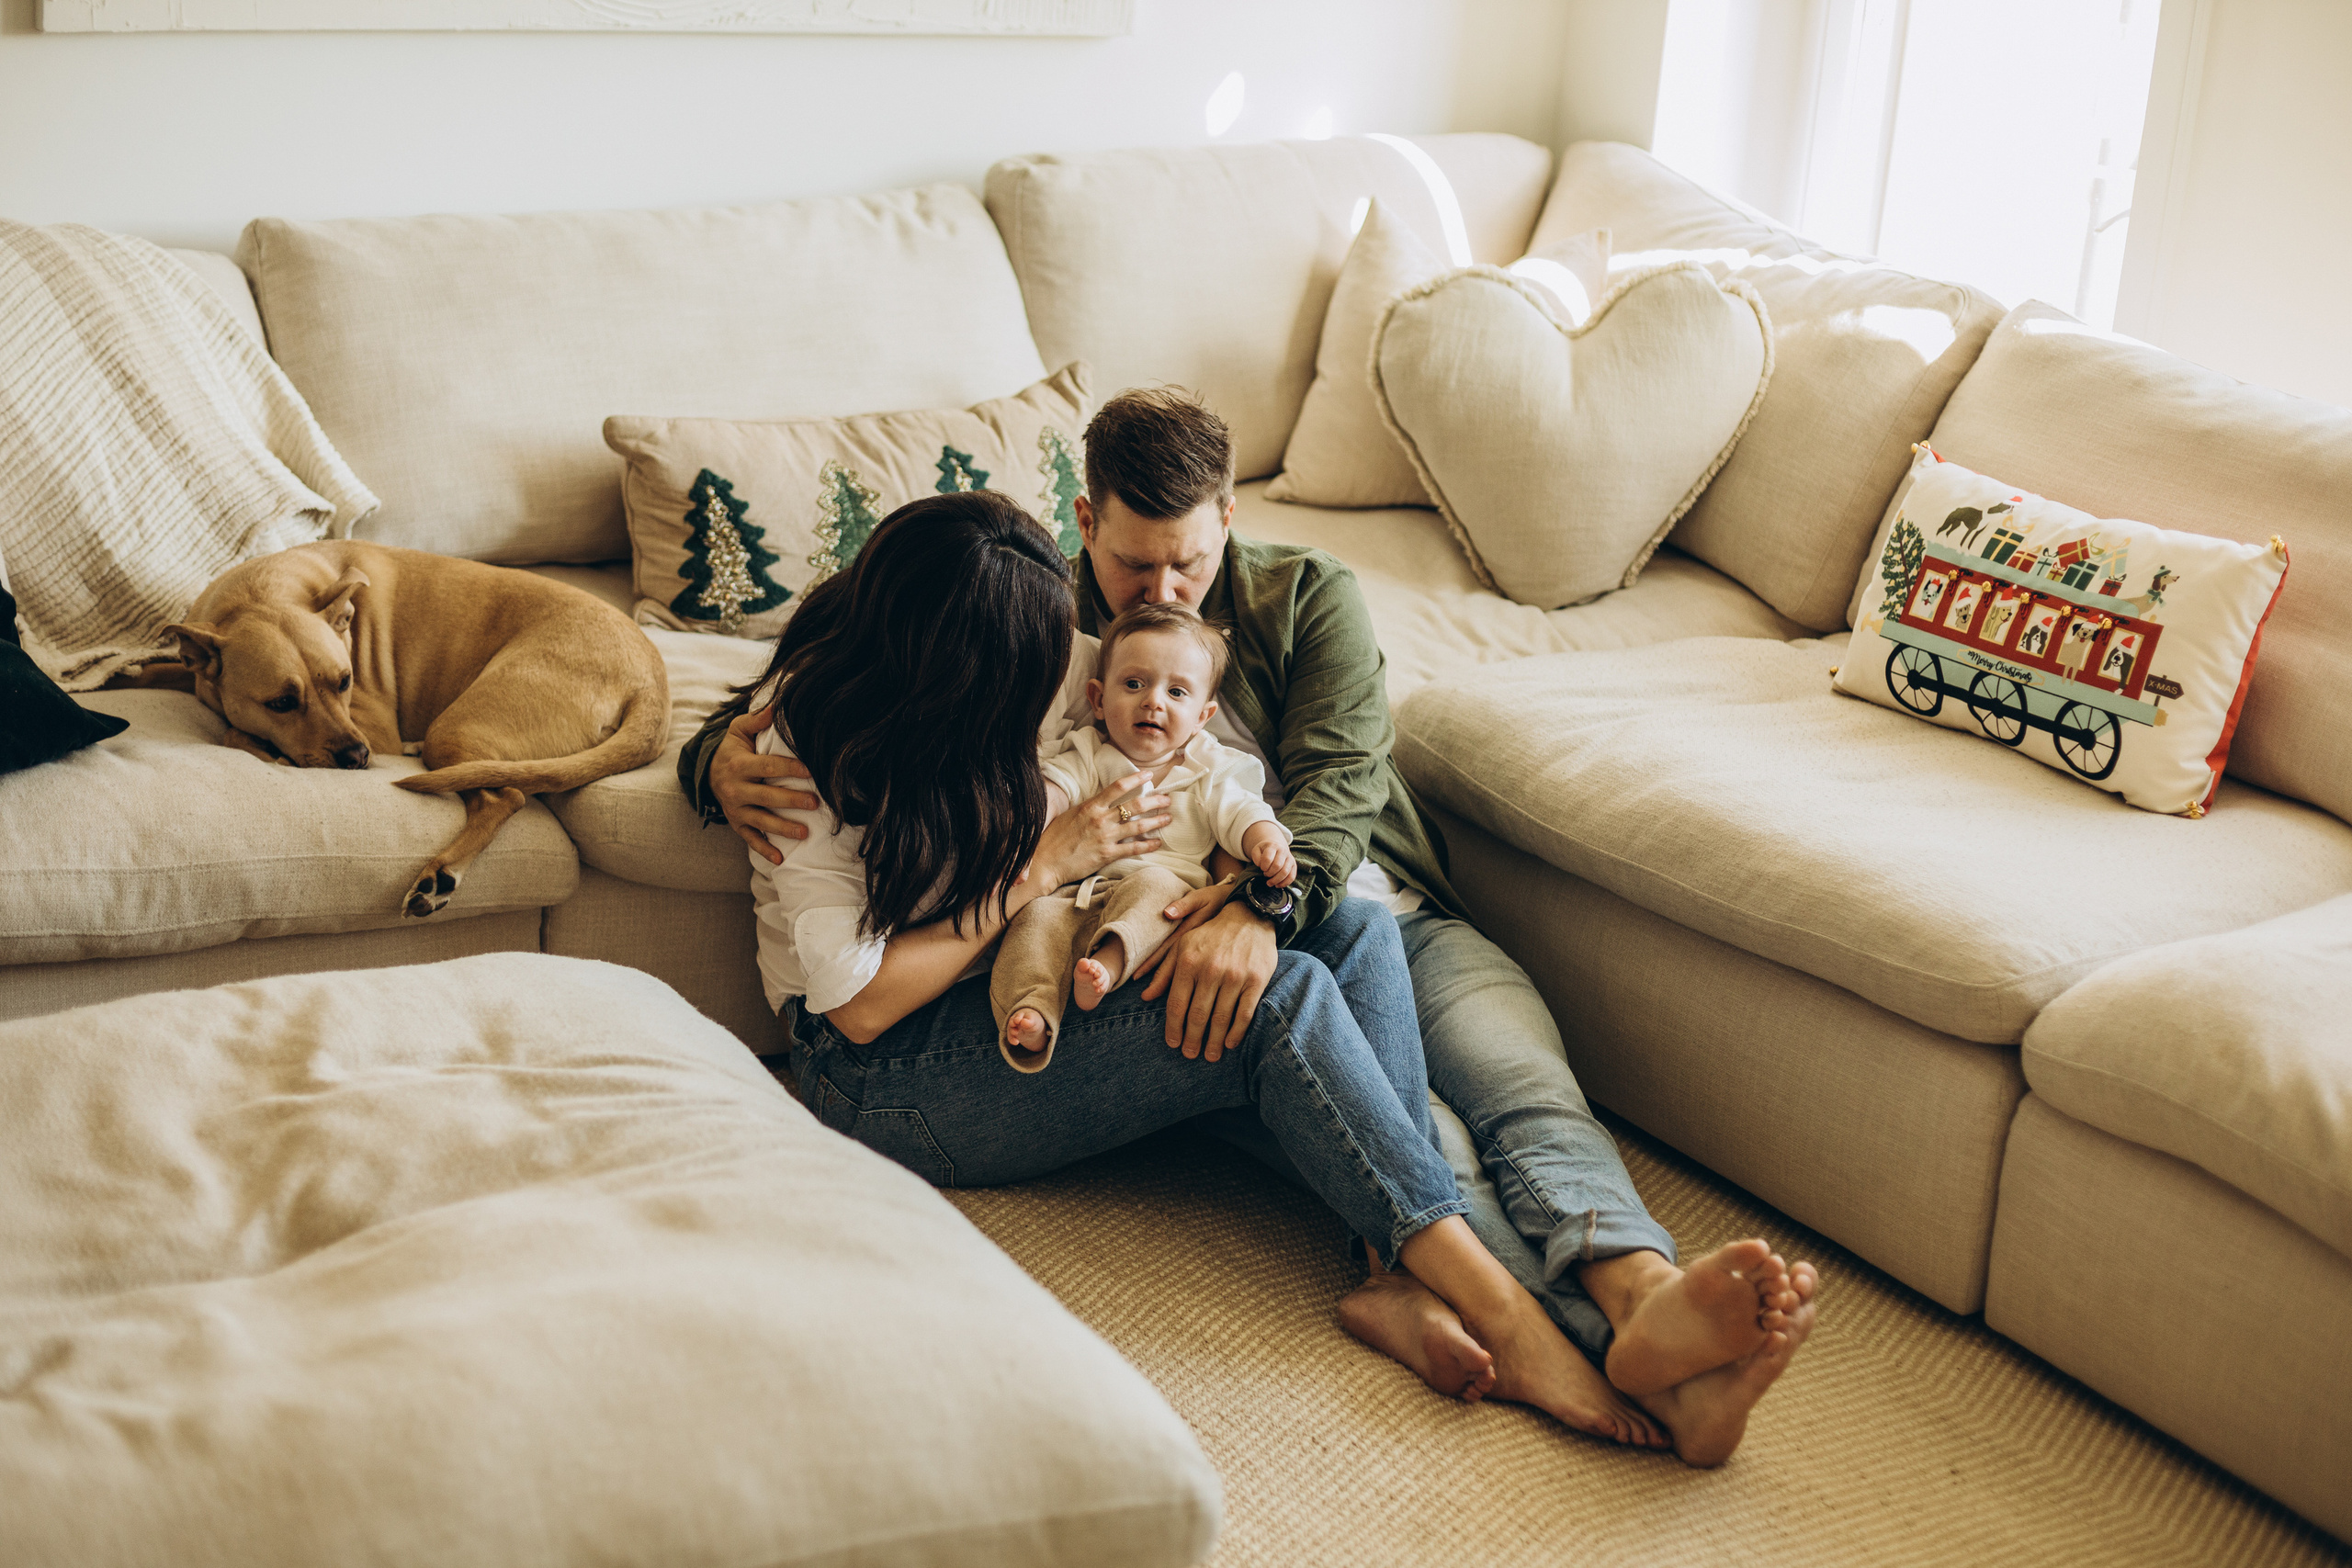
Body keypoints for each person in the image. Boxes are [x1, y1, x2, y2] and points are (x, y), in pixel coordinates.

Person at [684, 398, 1817, 1466]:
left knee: (1362, 949)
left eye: (1187, 560)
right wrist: (723, 760)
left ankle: (1440, 1283)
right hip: (883, 1069)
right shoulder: (834, 738)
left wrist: (1257, 898)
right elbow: (862, 999)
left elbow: (1312, 785)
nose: (1087, 670)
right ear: (964, 673)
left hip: (1217, 917)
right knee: (1289, 1014)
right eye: (1128, 572)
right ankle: (1518, 1320)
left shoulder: (1070, 635)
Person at [993, 599, 1294, 1072]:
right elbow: (1052, 790)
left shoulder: (1208, 766)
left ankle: (1108, 967)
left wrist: (1265, 841)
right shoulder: (1089, 752)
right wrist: (1022, 832)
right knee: (1033, 923)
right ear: (1097, 698)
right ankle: (1032, 1011)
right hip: (1076, 897)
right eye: (1134, 684)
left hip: (1161, 903)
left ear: (1202, 715)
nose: (1153, 700)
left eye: (1177, 692)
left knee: (1159, 889)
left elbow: (1240, 809)